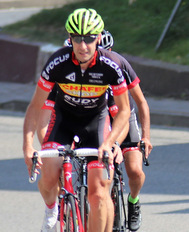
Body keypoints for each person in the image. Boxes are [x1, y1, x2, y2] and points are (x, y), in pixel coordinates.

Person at [22, 8, 131, 232]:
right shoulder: (57, 63)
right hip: (64, 121)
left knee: (99, 191)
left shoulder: (110, 65)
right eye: (77, 39)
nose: (83, 46)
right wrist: (27, 145)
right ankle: (52, 209)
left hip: (96, 123)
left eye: (89, 39)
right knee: (49, 174)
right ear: (70, 38)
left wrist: (109, 143)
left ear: (98, 37)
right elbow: (35, 107)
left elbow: (124, 111)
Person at [41, 29, 153, 231]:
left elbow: (138, 104)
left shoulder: (116, 65)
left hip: (122, 116)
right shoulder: (67, 78)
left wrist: (131, 140)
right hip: (95, 120)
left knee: (135, 171)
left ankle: (134, 201)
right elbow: (50, 119)